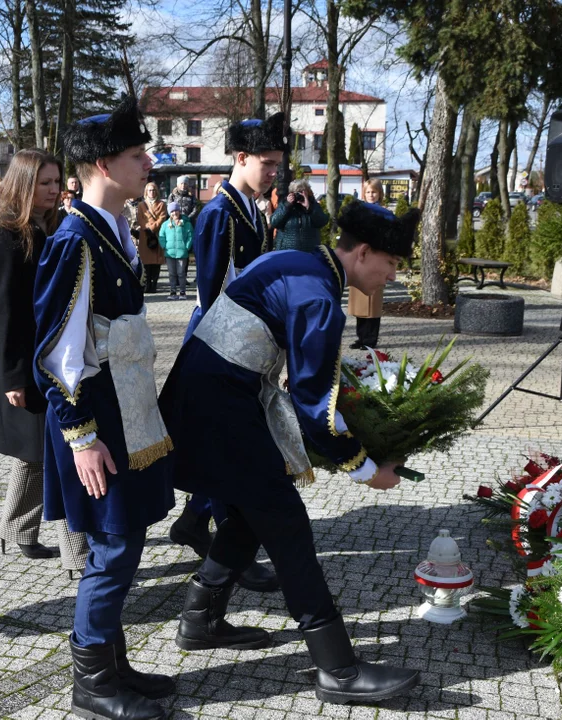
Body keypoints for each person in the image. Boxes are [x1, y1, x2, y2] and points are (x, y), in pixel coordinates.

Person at [159, 201, 423, 705]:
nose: (392, 277)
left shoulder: (298, 259)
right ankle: (338, 670)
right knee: (286, 522)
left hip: (210, 395)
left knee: (251, 509)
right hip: (221, 407)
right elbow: (311, 401)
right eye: (390, 266)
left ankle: (200, 618)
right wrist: (365, 469)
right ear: (364, 252)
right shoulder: (318, 294)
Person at [34, 95, 175, 720]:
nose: (149, 163)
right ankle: (91, 681)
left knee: (126, 539)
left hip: (125, 412)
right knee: (113, 547)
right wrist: (81, 437)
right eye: (137, 154)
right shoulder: (76, 241)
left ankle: (111, 662)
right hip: (95, 421)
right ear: (100, 163)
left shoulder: (111, 229)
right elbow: (56, 353)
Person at [169, 113, 286, 594]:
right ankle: (225, 553)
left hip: (242, 342)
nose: (275, 171)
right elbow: (211, 292)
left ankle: (195, 521)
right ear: (240, 158)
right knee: (229, 448)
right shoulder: (221, 213)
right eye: (267, 162)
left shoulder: (251, 208)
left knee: (228, 445)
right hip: (221, 345)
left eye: (278, 163)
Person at [0, 149, 90, 573]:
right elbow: (2, 311)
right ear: (24, 184)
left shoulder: (43, 228)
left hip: (47, 363)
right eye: (45, 182)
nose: (55, 188)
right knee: (63, 452)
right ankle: (78, 555)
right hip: (26, 369)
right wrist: (11, 376)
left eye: (57, 180)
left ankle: (16, 530)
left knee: (37, 453)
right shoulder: (5, 236)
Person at [347, 179, 386, 348]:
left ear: (380, 194)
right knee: (360, 300)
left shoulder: (384, 213)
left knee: (373, 301)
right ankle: (361, 336)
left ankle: (371, 338)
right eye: (368, 192)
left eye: (374, 192)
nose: (371, 195)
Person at [270, 178, 329, 252]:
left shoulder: (313, 205)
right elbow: (274, 222)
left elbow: (322, 221)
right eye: (296, 193)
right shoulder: (285, 204)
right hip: (287, 251)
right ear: (291, 193)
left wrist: (309, 207)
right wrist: (287, 205)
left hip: (309, 252)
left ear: (308, 192)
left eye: (302, 192)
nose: (299, 195)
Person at [136, 181, 167, 293]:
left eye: (154, 190)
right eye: (150, 190)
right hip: (145, 236)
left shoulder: (162, 204)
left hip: (157, 236)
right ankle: (147, 284)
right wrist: (148, 227)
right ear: (146, 192)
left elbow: (162, 218)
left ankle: (154, 284)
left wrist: (153, 227)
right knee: (146, 262)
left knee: (156, 263)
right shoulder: (141, 205)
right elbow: (140, 219)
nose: (152, 192)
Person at [159, 201, 193, 300]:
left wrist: (186, 247)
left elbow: (190, 235)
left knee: (181, 273)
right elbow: (162, 236)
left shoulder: (186, 223)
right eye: (172, 211)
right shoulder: (165, 224)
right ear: (170, 213)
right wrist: (164, 246)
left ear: (179, 211)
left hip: (182, 253)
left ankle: (182, 291)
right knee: (172, 273)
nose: (174, 213)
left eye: (176, 210)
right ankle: (173, 291)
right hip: (169, 253)